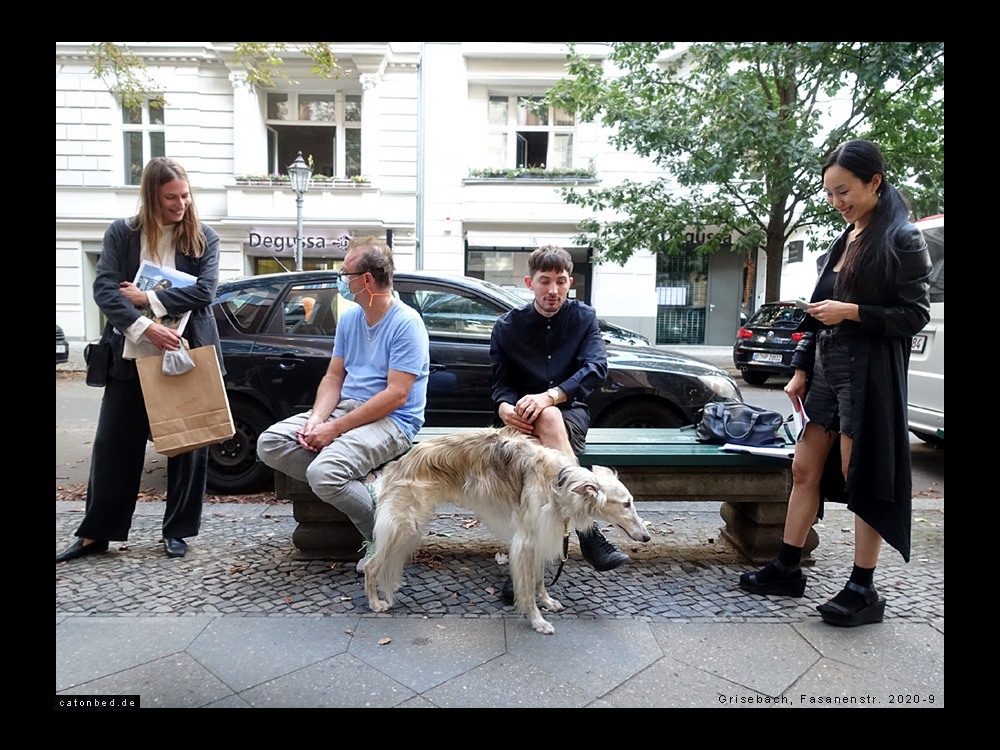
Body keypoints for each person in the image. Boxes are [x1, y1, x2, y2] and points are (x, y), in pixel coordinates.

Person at [739, 140, 932, 627]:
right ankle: (787, 566)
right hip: (826, 369)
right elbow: (817, 316)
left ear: (875, 182)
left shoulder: (903, 239)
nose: (836, 202)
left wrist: (852, 311)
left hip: (868, 374)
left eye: (843, 191)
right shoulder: (845, 238)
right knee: (804, 469)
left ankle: (863, 588)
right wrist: (801, 369)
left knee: (860, 476)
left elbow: (914, 315)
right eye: (829, 194)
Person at [56, 157, 222, 563]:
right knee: (113, 446)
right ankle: (96, 535)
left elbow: (205, 292)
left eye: (184, 196)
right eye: (170, 198)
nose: (180, 204)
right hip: (130, 355)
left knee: (188, 446)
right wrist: (146, 327)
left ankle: (177, 532)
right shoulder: (123, 233)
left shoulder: (203, 237)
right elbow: (105, 290)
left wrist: (147, 296)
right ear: (151, 196)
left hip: (184, 354)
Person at [256, 237, 430, 571]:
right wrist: (316, 419)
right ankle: (365, 483)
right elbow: (334, 377)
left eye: (344, 273)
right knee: (270, 443)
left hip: (393, 421)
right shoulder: (351, 319)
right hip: (345, 410)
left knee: (324, 474)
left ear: (367, 279)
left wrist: (333, 429)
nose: (340, 279)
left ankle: (385, 538)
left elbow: (396, 395)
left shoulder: (407, 323)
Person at [490, 245, 627, 596]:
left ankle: (527, 567)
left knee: (547, 427)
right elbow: (502, 386)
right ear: (529, 283)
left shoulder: (583, 318)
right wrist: (505, 409)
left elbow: (596, 369)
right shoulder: (507, 327)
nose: (553, 290)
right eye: (545, 281)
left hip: (568, 416)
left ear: (569, 283)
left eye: (561, 281)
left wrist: (550, 397)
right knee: (536, 470)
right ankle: (586, 531)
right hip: (521, 423)